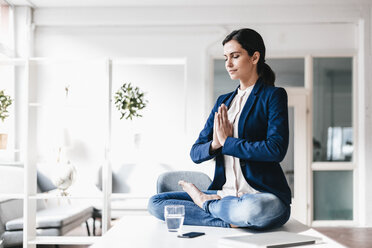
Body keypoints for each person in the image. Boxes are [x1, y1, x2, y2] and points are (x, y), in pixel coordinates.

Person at [148, 28, 291, 230]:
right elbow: (195, 153)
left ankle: (205, 203)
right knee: (156, 204)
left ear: (255, 57)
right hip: (224, 193)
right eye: (226, 58)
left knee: (254, 210)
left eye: (235, 56)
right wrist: (216, 144)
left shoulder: (273, 96)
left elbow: (276, 149)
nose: (228, 64)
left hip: (261, 196)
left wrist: (228, 143)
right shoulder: (223, 101)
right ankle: (229, 217)